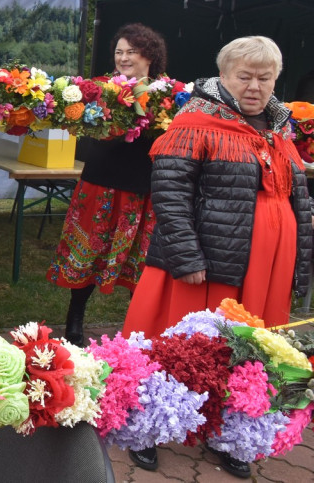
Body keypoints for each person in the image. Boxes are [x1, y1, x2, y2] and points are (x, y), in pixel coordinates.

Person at [122, 36, 313, 477]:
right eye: (244, 76)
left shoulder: (279, 126)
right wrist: (187, 256)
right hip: (209, 259)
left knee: (250, 351)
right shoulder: (195, 121)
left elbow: (294, 194)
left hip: (267, 265)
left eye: (264, 78)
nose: (254, 86)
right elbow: (169, 194)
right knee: (180, 346)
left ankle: (231, 430)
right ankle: (144, 428)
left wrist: (300, 254)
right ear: (223, 76)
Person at [47, 23, 168, 347]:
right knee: (88, 252)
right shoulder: (101, 88)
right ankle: (74, 321)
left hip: (142, 186)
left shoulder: (167, 94)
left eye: (132, 51)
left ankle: (138, 327)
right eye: (119, 51)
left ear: (150, 55)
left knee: (140, 262)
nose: (124, 57)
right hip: (101, 183)